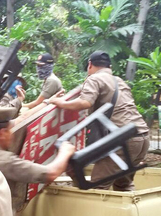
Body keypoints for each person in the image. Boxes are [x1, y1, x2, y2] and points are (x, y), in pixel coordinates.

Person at [49, 50, 150, 191]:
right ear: (110, 67)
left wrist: (59, 102)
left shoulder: (95, 78)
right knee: (124, 185)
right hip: (142, 137)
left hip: (123, 140)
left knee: (98, 187)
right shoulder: (119, 81)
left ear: (90, 64)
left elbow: (85, 102)